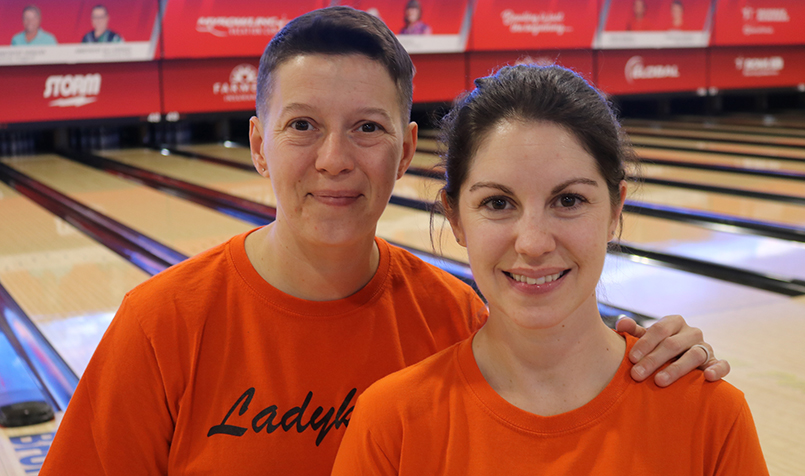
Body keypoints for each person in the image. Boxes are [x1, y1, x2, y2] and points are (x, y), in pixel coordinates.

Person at [41, 7, 728, 475]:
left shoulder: (457, 318)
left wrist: (652, 353)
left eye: (367, 128)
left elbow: (564, 364)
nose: (334, 159)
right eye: (302, 126)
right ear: (257, 145)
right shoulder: (162, 324)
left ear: (404, 151)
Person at [332, 64, 768, 475]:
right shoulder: (390, 424)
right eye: (498, 203)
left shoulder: (710, 414)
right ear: (456, 218)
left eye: (569, 200)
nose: (534, 243)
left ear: (615, 209)